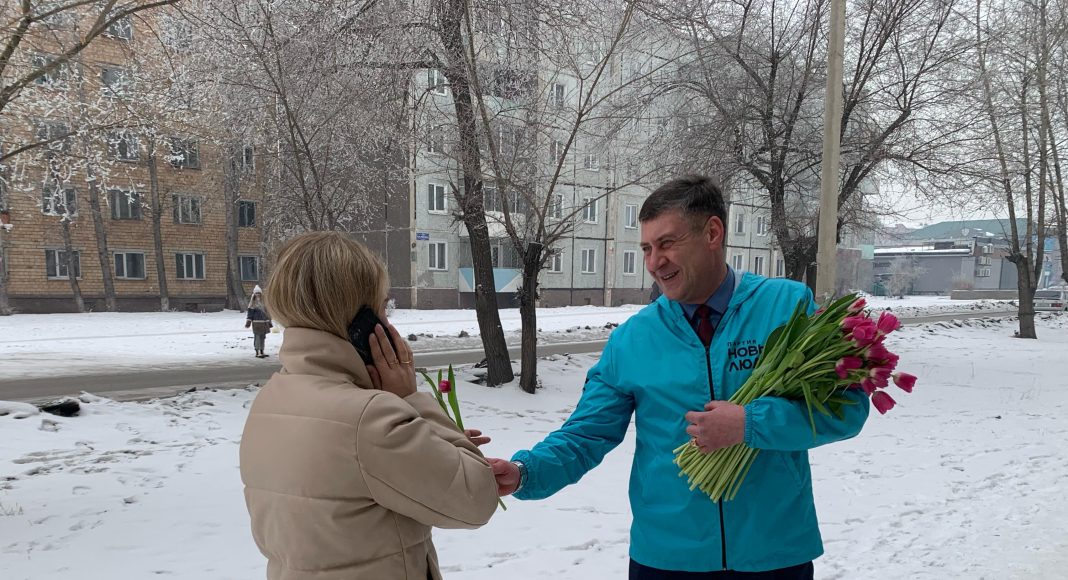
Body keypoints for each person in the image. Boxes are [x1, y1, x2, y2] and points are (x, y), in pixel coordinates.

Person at [488, 176, 870, 579]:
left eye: (667, 243)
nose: (654, 262)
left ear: (712, 233)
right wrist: (525, 472)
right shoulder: (633, 339)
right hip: (667, 558)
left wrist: (751, 424)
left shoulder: (787, 306)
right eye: (647, 249)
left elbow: (846, 408)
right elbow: (586, 434)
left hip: (774, 553)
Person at [239, 231, 498, 580]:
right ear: (362, 323)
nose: (388, 321)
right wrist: (409, 400)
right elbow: (477, 498)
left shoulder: (270, 399)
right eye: (381, 306)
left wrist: (421, 439)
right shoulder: (369, 418)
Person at [245, 286, 273, 358]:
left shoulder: (264, 303)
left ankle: (262, 351)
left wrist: (269, 322)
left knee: (263, 337)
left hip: (264, 323)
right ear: (254, 294)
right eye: (256, 293)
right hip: (256, 323)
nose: (258, 295)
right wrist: (248, 322)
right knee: (257, 337)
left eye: (259, 293)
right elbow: (250, 314)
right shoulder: (252, 304)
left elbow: (267, 314)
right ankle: (257, 352)